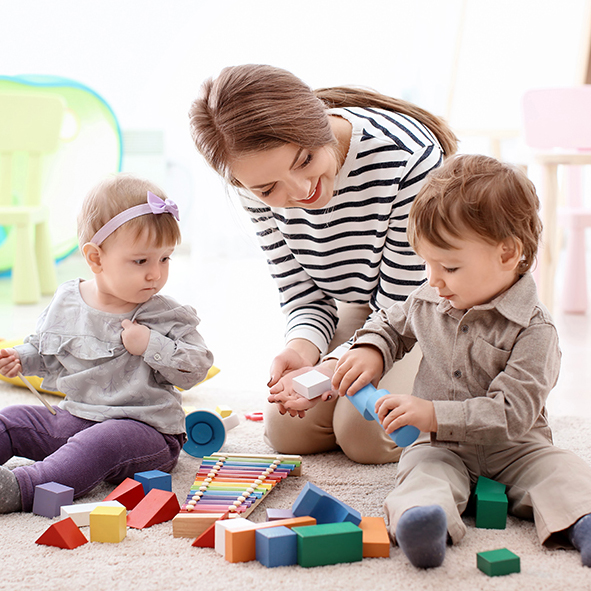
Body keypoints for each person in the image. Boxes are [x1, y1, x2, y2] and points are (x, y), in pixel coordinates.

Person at [331, 154, 591, 569]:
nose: (433, 279)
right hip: (440, 446)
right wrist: (371, 349)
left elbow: (512, 414)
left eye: (449, 266)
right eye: (427, 264)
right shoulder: (430, 297)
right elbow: (391, 323)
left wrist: (433, 413)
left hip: (517, 447)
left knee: (563, 472)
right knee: (420, 474)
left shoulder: (535, 331)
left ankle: (584, 521)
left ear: (508, 254)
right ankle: (423, 523)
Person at [189, 64, 457, 463]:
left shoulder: (406, 158)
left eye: (305, 160)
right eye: (268, 188)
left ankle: (459, 397)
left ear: (319, 125)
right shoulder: (252, 185)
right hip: (365, 304)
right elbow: (303, 295)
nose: (300, 191)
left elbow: (401, 305)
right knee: (289, 430)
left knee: (366, 435)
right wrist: (303, 349)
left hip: (426, 308)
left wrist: (331, 368)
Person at [0, 174, 214, 513]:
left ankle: (22, 488)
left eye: (165, 259)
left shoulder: (164, 313)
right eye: (141, 261)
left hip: (145, 432)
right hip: (75, 416)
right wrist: (21, 358)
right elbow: (47, 350)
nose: (155, 274)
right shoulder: (69, 301)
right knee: (12, 419)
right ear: (96, 259)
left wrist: (150, 344)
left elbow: (195, 368)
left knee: (98, 444)